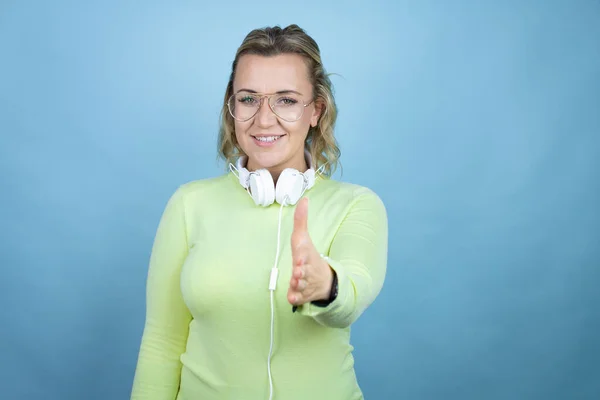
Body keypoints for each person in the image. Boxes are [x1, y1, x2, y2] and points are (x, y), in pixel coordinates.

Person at [130, 24, 388, 400]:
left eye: (285, 100)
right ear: (232, 107)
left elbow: (353, 291)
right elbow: (162, 340)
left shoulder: (356, 204)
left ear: (315, 110)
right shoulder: (189, 204)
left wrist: (325, 285)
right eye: (248, 99)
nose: (264, 120)